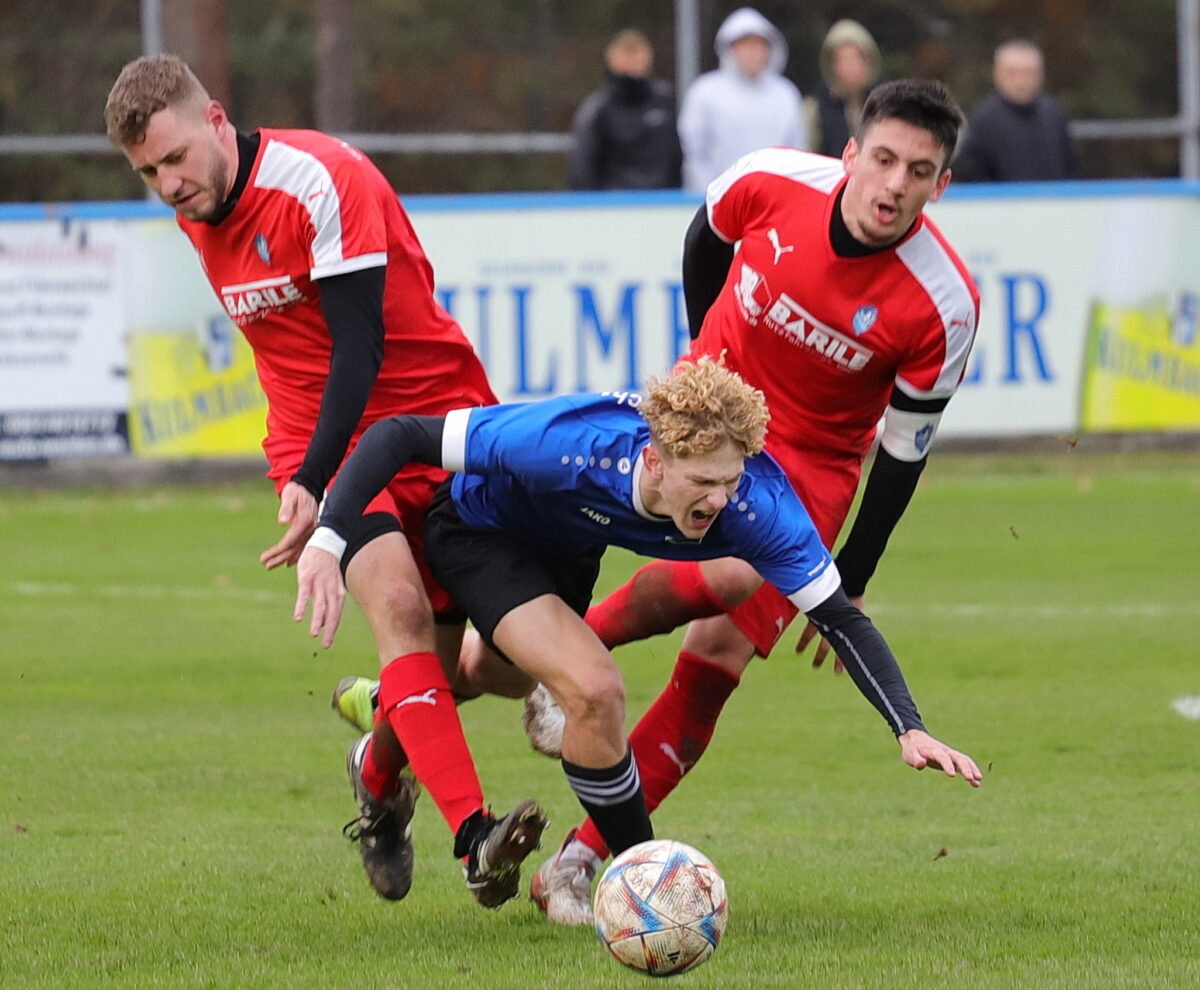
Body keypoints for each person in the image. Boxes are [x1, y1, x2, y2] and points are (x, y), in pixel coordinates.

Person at [519, 78, 981, 924]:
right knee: (726, 577)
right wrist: (701, 363)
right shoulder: (770, 178)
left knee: (718, 667)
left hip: (815, 463)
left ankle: (579, 863)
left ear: (940, 185)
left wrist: (854, 572)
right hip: (719, 413)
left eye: (919, 171)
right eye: (882, 159)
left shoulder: (945, 304)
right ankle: (548, 672)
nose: (893, 186)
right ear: (850, 154)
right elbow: (705, 239)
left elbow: (905, 450)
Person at [295, 357, 982, 917]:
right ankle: (646, 884)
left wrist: (908, 726)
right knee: (594, 690)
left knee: (497, 675)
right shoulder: (569, 441)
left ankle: (385, 736)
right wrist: (329, 539)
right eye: (703, 482)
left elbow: (839, 617)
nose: (718, 500)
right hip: (479, 534)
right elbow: (399, 436)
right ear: (654, 463)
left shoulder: (756, 504)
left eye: (730, 479)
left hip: (565, 556)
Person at [103, 54, 547, 910]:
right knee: (402, 615)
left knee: (491, 667)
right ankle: (474, 841)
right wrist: (312, 474)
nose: (166, 183)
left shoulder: (321, 180)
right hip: (333, 449)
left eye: (174, 158)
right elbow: (300, 364)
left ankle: (377, 765)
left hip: (440, 431)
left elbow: (360, 349)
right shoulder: (198, 212)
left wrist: (312, 473)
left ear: (217, 119)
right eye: (147, 171)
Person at [677, 7, 806, 193]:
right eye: (746, 45)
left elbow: (798, 151)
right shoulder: (705, 92)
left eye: (761, 45)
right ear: (730, 48)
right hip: (718, 201)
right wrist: (709, 196)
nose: (754, 52)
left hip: (774, 201)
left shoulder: (785, 94)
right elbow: (693, 152)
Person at [567, 29, 682, 191]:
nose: (634, 62)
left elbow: (677, 154)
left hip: (662, 201)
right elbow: (583, 168)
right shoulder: (598, 109)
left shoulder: (665, 101)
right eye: (628, 55)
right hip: (615, 206)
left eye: (638, 55)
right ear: (612, 59)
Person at [953, 39, 1077, 182]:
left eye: (1029, 73)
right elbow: (970, 174)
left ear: (1041, 75)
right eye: (1012, 73)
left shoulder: (1053, 113)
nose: (1021, 81)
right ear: (997, 74)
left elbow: (1071, 167)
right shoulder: (984, 119)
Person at [805, 19, 882, 158]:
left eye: (856, 58)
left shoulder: (883, 103)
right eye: (843, 60)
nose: (850, 67)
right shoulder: (816, 107)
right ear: (832, 65)